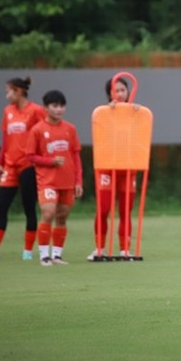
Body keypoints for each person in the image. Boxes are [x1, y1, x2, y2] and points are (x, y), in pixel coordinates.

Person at [0, 77, 46, 262]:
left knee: (29, 207)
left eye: (9, 91)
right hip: (10, 165)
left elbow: (44, 135)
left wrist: (41, 160)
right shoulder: (8, 111)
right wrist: (0, 162)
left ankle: (28, 251)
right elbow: (6, 139)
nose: (7, 95)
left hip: (27, 165)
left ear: (19, 91)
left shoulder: (36, 110)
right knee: (1, 207)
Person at [26, 90, 83, 266]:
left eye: (62, 106)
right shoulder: (37, 130)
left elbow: (75, 156)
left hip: (67, 181)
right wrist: (50, 161)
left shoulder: (70, 129)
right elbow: (30, 156)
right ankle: (44, 255)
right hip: (47, 181)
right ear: (46, 108)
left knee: (62, 217)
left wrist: (78, 181)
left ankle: (57, 255)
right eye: (55, 106)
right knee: (48, 212)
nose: (59, 110)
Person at [88, 77, 140, 260]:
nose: (120, 94)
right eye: (116, 90)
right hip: (107, 169)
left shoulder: (137, 113)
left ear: (129, 91)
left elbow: (140, 137)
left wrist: (136, 115)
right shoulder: (103, 113)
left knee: (126, 210)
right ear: (110, 94)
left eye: (122, 90)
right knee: (103, 209)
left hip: (128, 168)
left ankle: (125, 249)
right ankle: (100, 248)